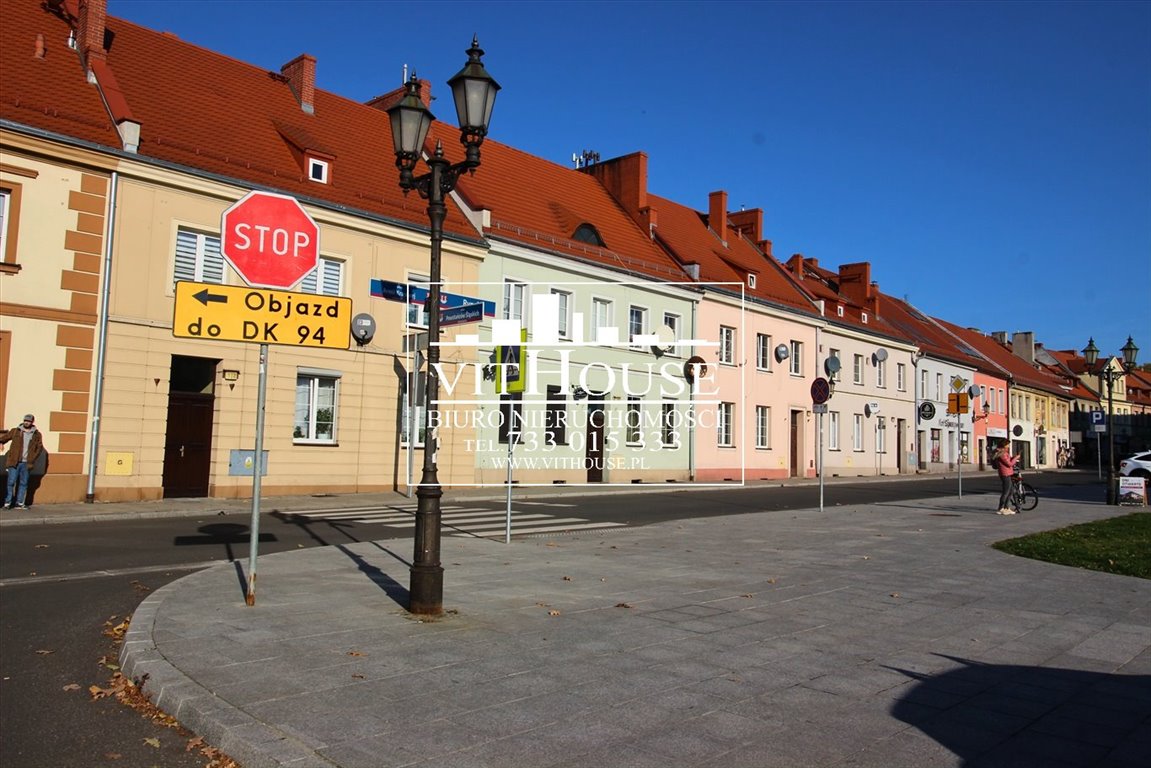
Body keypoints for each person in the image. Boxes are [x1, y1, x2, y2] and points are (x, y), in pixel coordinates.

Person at [2, 414, 44, 510]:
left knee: (23, 483)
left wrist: (33, 457)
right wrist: (1, 442)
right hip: (14, 462)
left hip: (27, 463)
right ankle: (7, 503)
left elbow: (39, 447)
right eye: (25, 420)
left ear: (32, 422)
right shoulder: (16, 431)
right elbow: (5, 438)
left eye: (28, 421)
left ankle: (19, 503)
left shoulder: (37, 434)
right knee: (11, 482)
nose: (26, 422)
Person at [992, 442, 1021, 515]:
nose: (1008, 447)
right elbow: (1009, 464)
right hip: (1005, 474)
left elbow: (1008, 460)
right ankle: (1001, 508)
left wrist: (1012, 458)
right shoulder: (1002, 454)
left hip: (1007, 473)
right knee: (1006, 492)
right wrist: (1016, 458)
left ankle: (1006, 507)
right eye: (1007, 445)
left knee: (1010, 491)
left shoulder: (1004, 453)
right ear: (1003, 446)